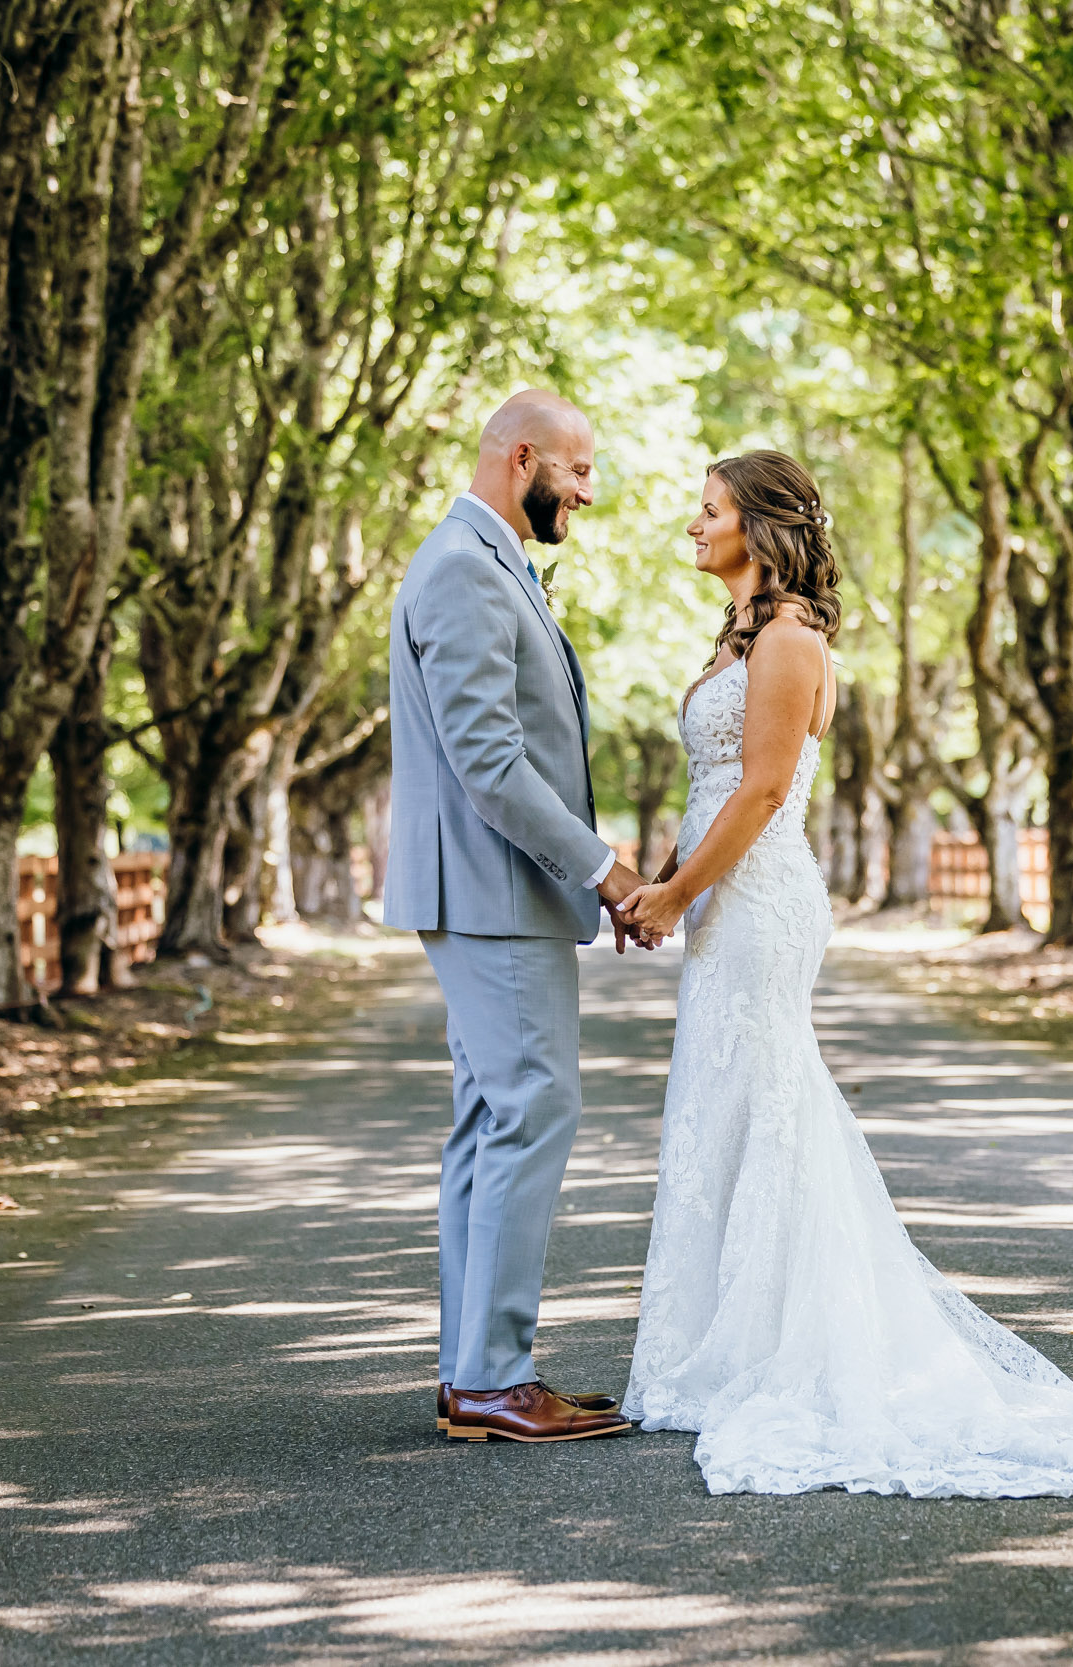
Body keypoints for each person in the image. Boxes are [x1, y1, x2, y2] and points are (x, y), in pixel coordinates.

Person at [613, 451, 1073, 1496]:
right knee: (729, 1106)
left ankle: (780, 1350)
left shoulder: (787, 641)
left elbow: (766, 788)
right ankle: (721, 1342)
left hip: (757, 902)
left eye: (710, 509)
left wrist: (675, 891)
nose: (692, 525)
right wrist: (669, 885)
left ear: (762, 526)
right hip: (724, 902)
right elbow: (717, 784)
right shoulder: (745, 638)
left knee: (768, 1103)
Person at [382, 390, 648, 1444]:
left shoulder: (485, 563)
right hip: (491, 891)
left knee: (491, 1120)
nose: (587, 491)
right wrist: (605, 868)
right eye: (578, 471)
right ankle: (494, 1371)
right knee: (535, 1104)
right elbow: (487, 760)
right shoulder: (459, 567)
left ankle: (472, 1372)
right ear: (524, 457)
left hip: (492, 892)